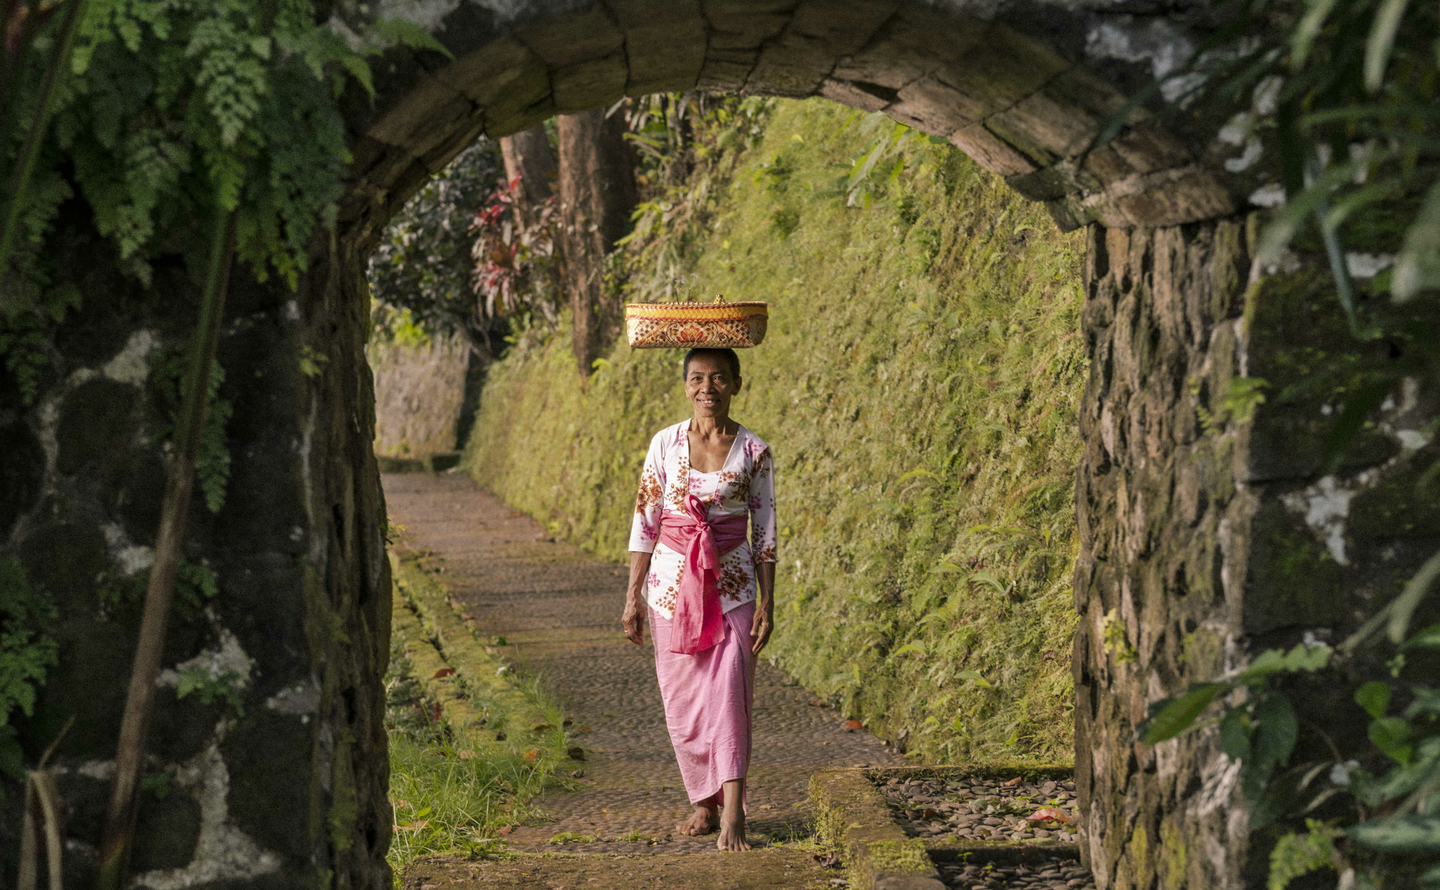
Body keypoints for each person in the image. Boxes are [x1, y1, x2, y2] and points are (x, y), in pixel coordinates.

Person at [622, 346, 778, 852]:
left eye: (718, 378)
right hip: (670, 589)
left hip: (732, 589)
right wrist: (632, 598)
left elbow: (765, 533)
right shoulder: (664, 445)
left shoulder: (754, 451)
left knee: (730, 692)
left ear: (736, 383)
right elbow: (645, 521)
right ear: (685, 385)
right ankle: (703, 803)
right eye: (696, 378)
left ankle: (733, 809)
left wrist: (769, 604)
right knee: (684, 703)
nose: (706, 388)